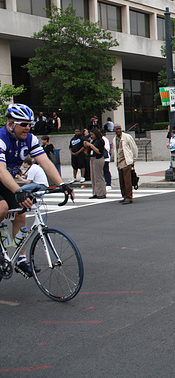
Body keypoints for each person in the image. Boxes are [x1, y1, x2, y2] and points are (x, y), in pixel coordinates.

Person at [0, 104, 72, 278]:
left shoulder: (29, 139)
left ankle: (20, 259)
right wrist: (19, 190)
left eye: (29, 124)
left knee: (21, 213)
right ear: (11, 124)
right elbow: (1, 170)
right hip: (2, 177)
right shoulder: (1, 138)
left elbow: (45, 162)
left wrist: (62, 184)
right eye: (23, 124)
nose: (28, 127)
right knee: (2, 207)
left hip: (7, 182)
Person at [113, 124, 138, 204]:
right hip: (119, 162)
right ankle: (124, 196)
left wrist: (133, 160)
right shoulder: (115, 139)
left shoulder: (127, 137)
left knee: (127, 181)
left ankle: (129, 197)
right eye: (116, 129)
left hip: (126, 162)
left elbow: (134, 148)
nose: (118, 130)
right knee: (122, 181)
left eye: (119, 129)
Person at [83, 128, 106, 199]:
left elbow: (99, 151)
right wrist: (86, 145)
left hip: (98, 158)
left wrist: (91, 145)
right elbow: (87, 152)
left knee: (98, 176)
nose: (91, 136)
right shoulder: (93, 141)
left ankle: (101, 193)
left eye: (92, 134)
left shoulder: (100, 141)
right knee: (93, 177)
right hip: (92, 158)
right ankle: (95, 192)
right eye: (90, 135)